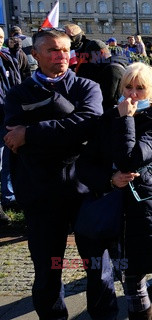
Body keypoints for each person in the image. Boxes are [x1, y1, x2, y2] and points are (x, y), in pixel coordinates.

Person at [3, 28, 103, 319]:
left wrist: (31, 132)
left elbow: (88, 124)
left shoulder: (87, 87)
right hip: (41, 192)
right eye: (52, 50)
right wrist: (67, 128)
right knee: (48, 268)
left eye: (64, 50)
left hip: (85, 190)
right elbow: (13, 140)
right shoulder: (18, 93)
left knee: (97, 265)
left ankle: (103, 314)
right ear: (35, 55)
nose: (61, 56)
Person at [76, 62, 152, 320]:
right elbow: (85, 164)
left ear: (151, 92)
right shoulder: (111, 116)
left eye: (140, 88)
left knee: (133, 282)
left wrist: (127, 119)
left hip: (140, 211)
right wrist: (109, 179)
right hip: (108, 209)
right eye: (128, 86)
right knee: (110, 275)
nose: (132, 94)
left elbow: (131, 158)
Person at [0, 27, 23, 223]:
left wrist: (16, 52)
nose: (0, 41)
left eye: (1, 37)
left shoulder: (7, 56)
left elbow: (16, 79)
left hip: (7, 115)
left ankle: (8, 197)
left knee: (7, 159)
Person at [76, 39, 127, 112]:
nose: (90, 61)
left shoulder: (111, 70)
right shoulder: (116, 63)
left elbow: (107, 100)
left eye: (90, 57)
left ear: (100, 53)